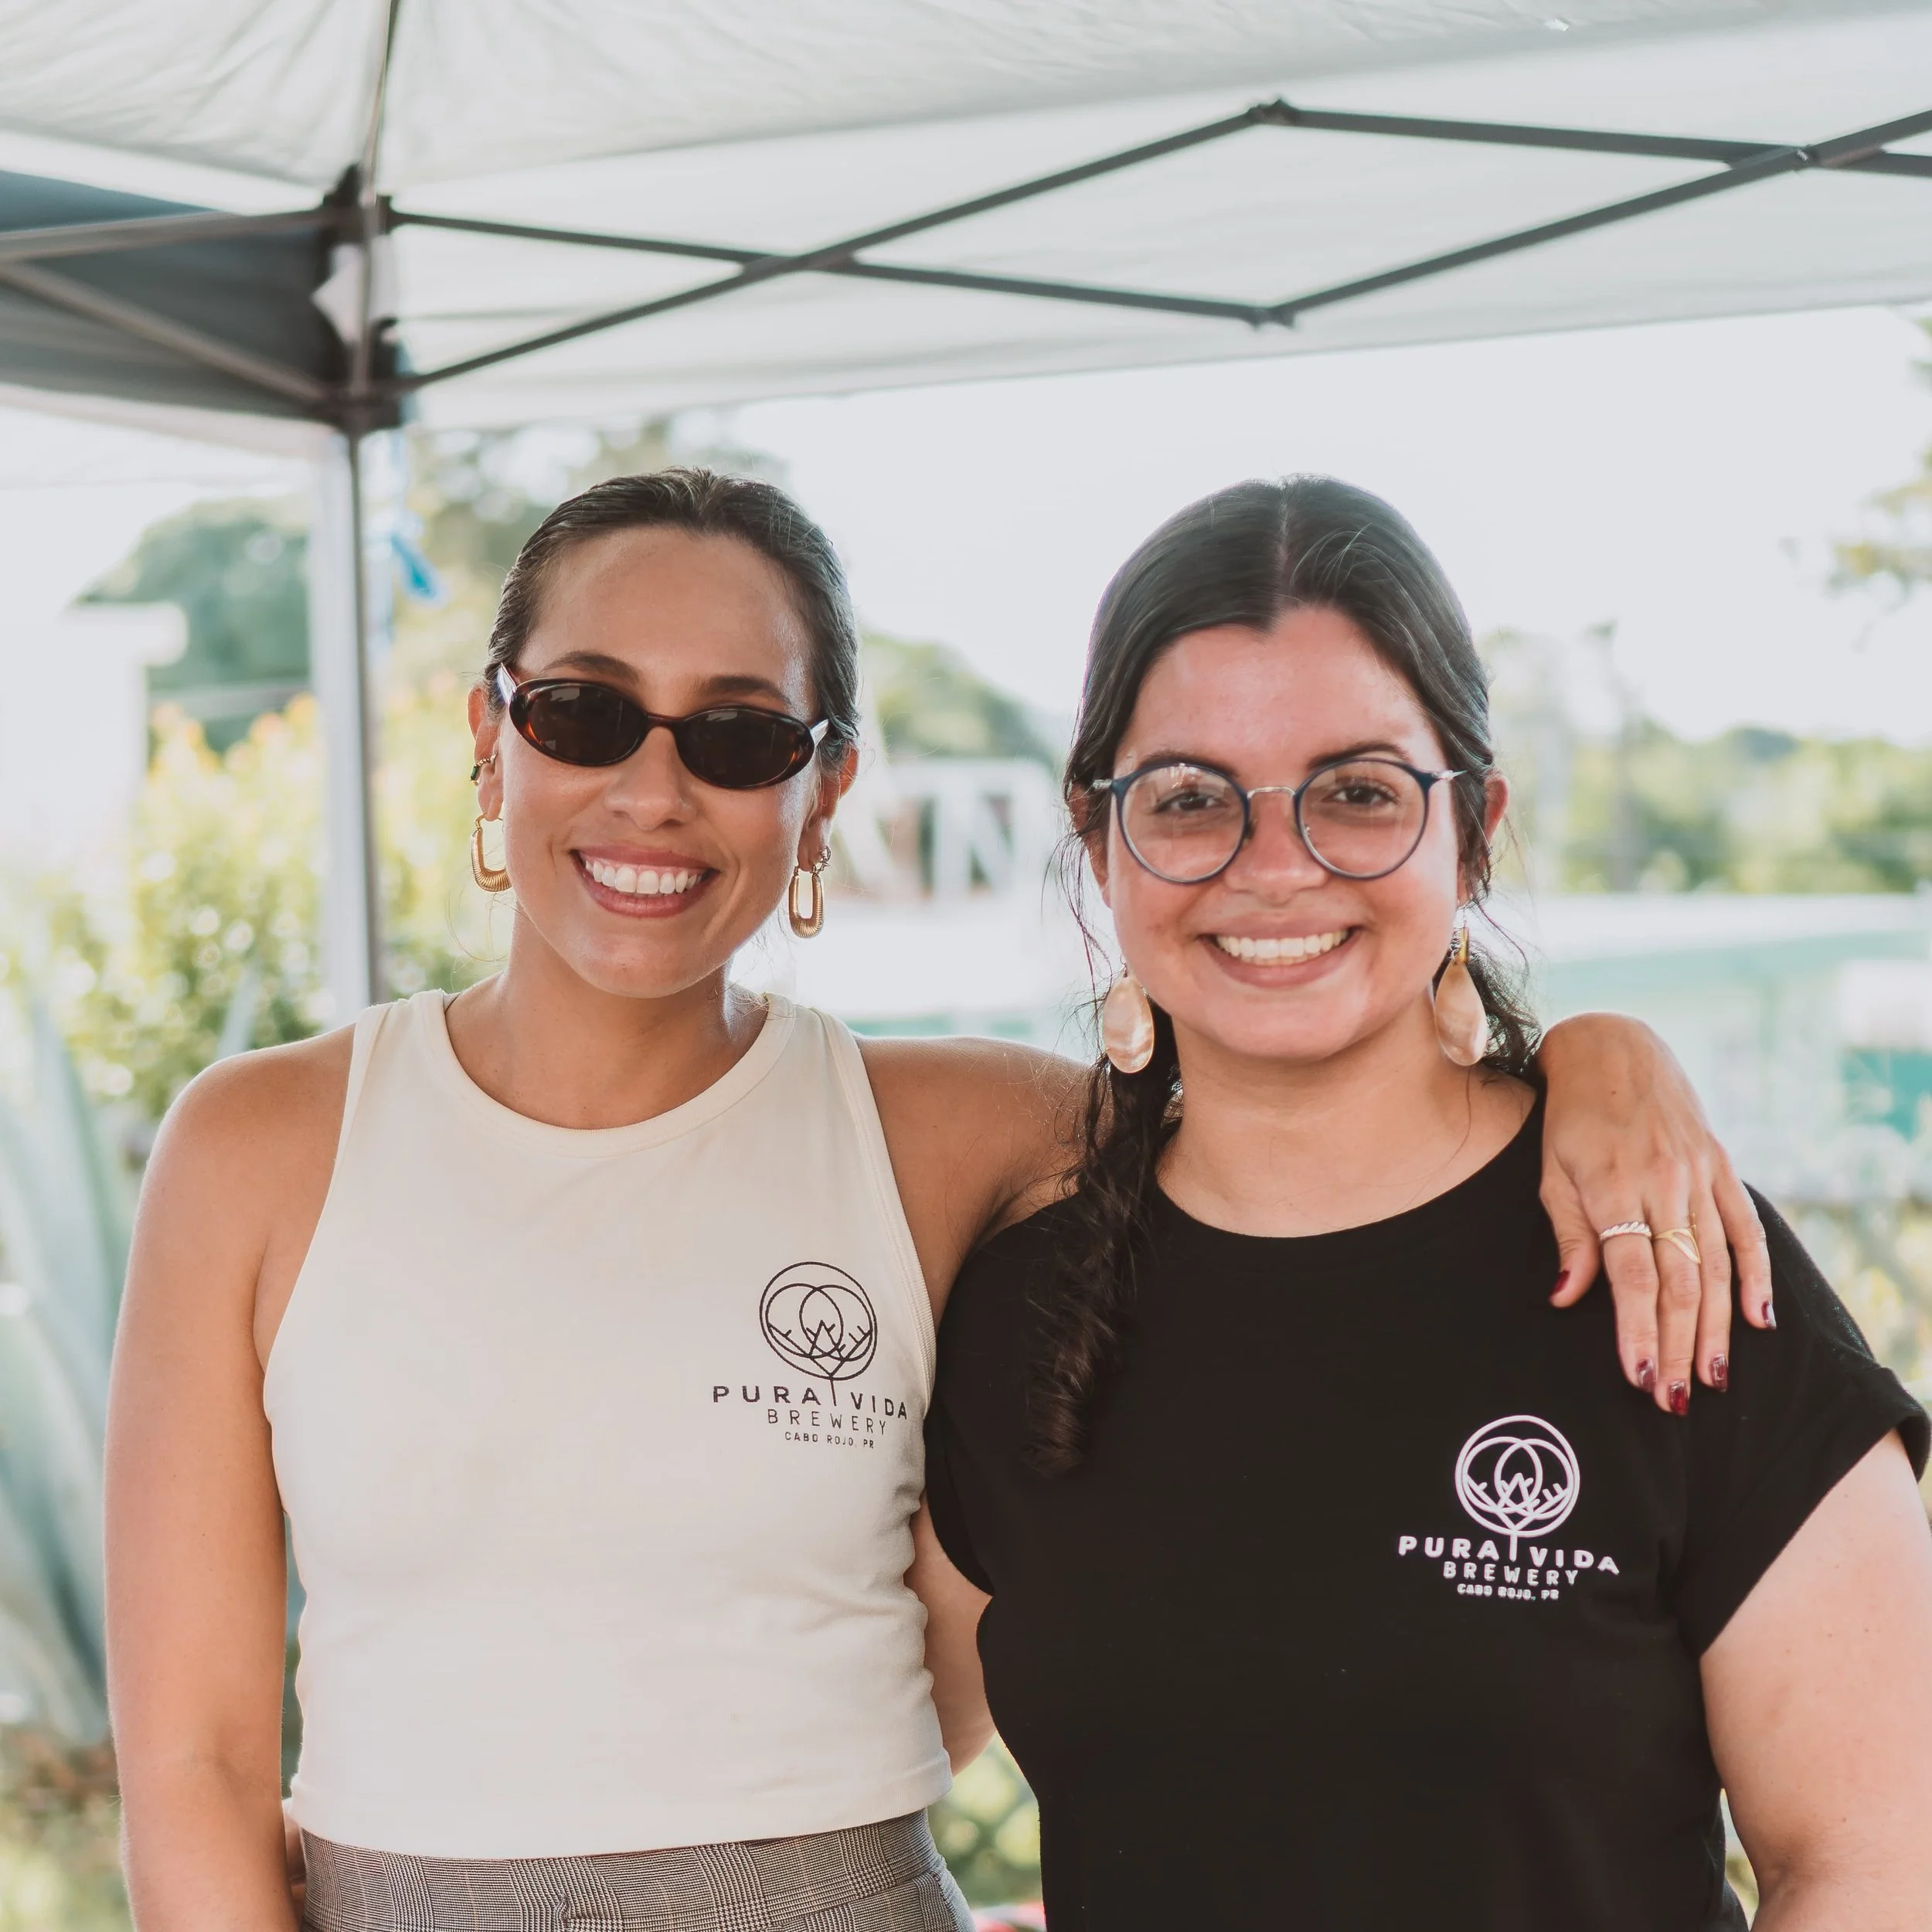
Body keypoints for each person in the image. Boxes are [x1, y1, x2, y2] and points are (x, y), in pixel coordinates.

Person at [107, 470, 1771, 1932]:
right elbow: (188, 1759)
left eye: (740, 733)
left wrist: (1598, 1060)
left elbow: (1312, 1085)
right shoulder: (257, 1145)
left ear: (821, 790)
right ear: (492, 735)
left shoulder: (955, 1133)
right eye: (583, 711)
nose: (651, 789)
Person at [923, 474, 1932, 1931]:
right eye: (1192, 799)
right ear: (1099, 845)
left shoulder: (1677, 1259)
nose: (1278, 869)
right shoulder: (1023, 1306)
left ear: (1477, 826)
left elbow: (1875, 1863)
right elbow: (859, 1765)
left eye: (1358, 793)